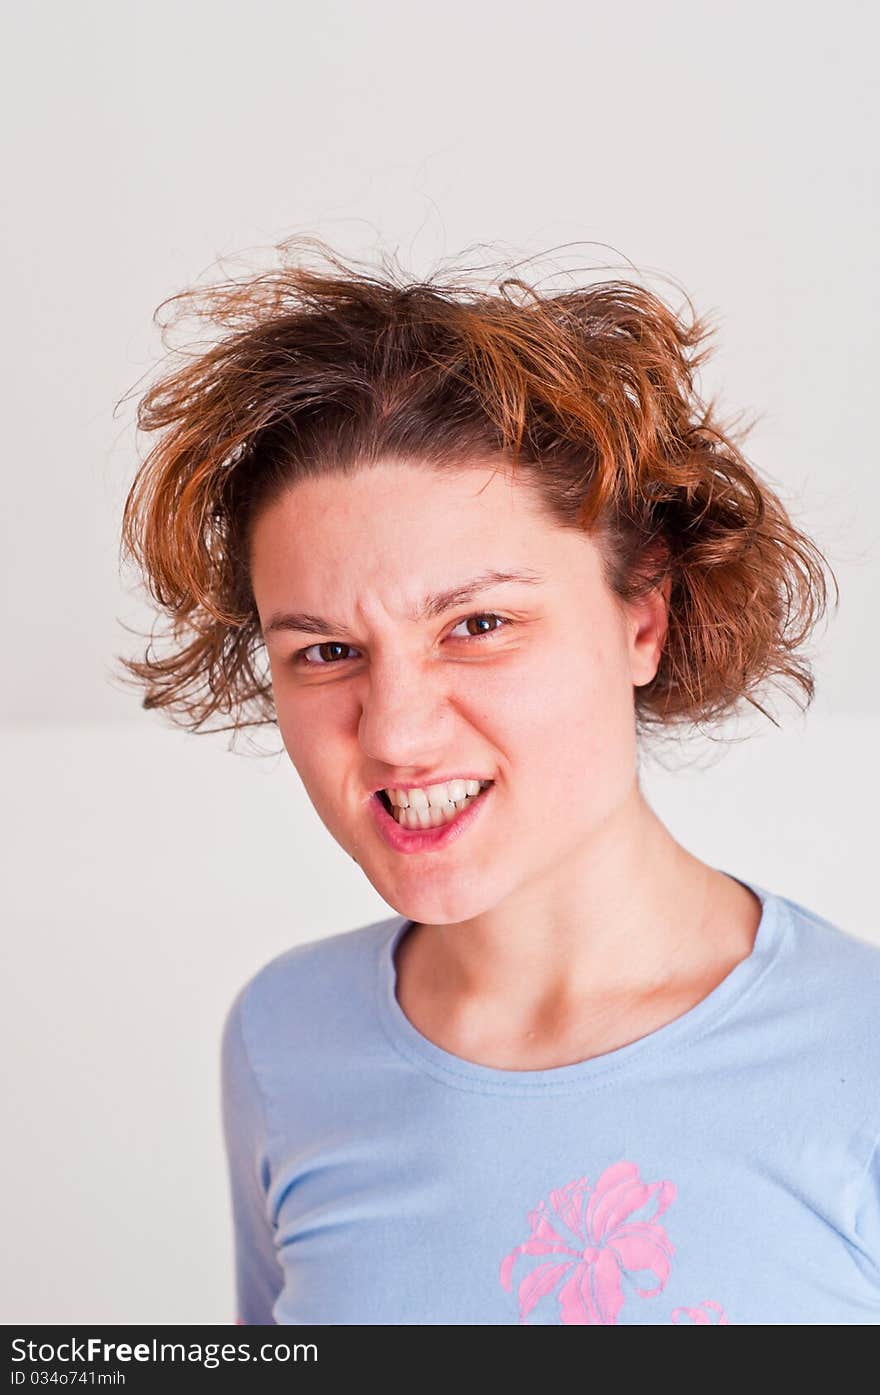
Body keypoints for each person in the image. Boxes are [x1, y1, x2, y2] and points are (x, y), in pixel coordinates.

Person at [116, 239, 880, 1325]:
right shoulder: (285, 1041)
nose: (396, 734)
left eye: (478, 626)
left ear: (641, 620)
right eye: (324, 651)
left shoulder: (859, 1055)